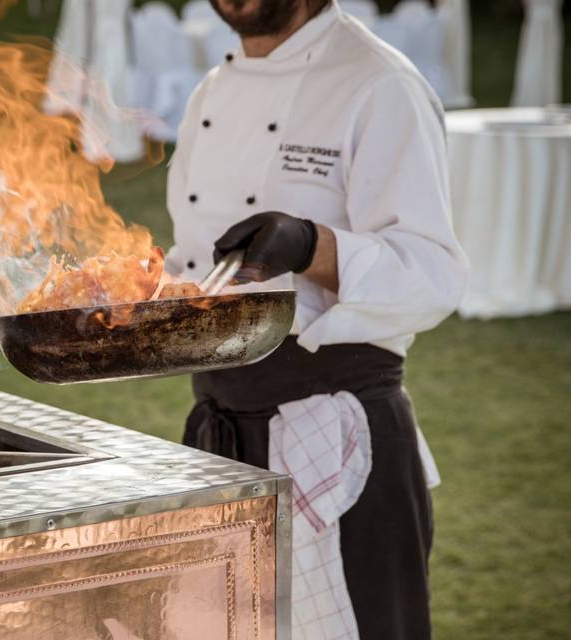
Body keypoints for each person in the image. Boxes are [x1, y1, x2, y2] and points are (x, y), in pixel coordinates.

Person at [165, 0, 470, 637]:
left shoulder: (380, 84)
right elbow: (192, 265)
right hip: (219, 433)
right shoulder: (211, 93)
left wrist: (312, 246)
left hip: (335, 434)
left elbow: (432, 276)